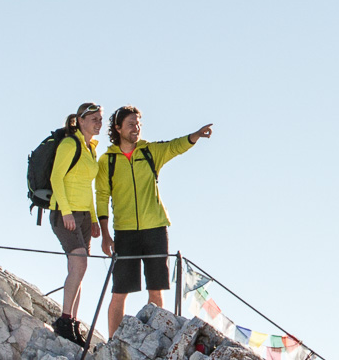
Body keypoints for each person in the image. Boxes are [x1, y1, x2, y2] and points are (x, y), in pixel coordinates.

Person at [97, 105, 214, 335]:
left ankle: (157, 339)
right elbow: (101, 197)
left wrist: (195, 136)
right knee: (119, 293)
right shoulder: (107, 161)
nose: (136, 128)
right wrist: (105, 235)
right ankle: (112, 342)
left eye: (138, 123)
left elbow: (174, 147)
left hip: (156, 230)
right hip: (124, 232)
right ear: (118, 128)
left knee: (156, 290)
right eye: (131, 124)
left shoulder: (150, 151)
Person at [47, 102, 108, 346]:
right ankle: (63, 321)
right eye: (93, 118)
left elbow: (88, 187)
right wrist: (66, 211)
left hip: (83, 215)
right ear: (80, 121)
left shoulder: (90, 148)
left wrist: (93, 218)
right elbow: (55, 178)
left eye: (100, 119)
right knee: (79, 262)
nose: (98, 123)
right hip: (65, 213)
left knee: (79, 269)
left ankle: (71, 322)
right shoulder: (69, 144)